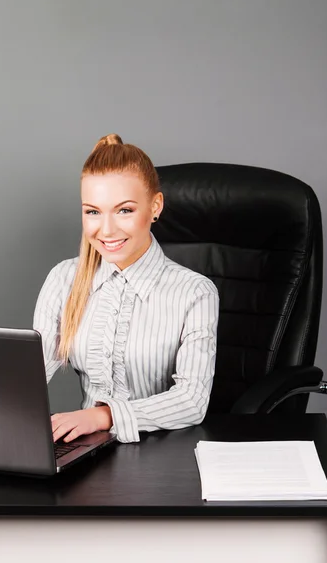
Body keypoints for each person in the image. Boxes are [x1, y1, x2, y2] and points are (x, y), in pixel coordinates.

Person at [33, 134, 220, 444]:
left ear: (155, 206)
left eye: (124, 210)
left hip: (168, 454)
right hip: (87, 451)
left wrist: (103, 416)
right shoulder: (64, 278)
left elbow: (192, 401)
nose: (106, 230)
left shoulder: (195, 292)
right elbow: (29, 376)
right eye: (93, 211)